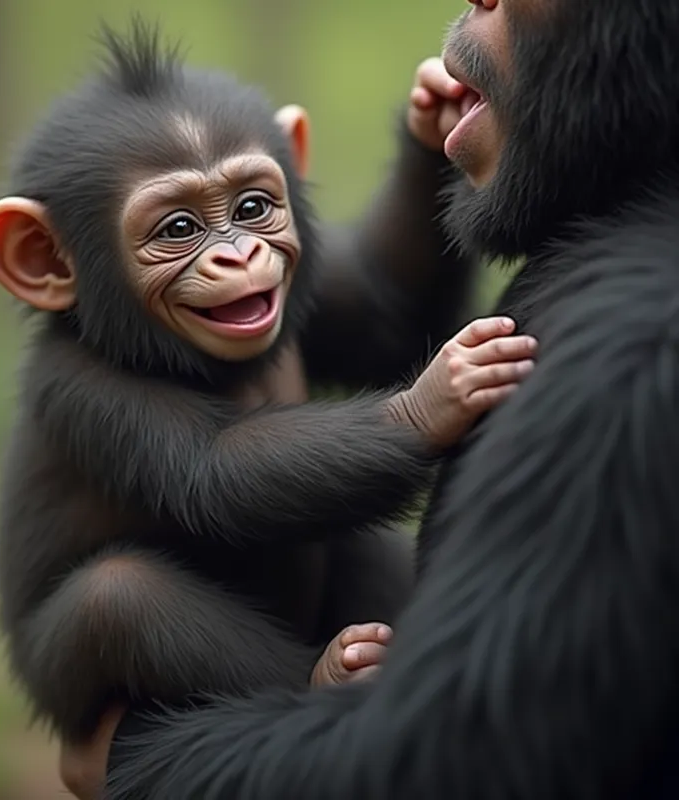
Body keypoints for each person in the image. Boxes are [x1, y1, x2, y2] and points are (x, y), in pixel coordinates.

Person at [69, 0, 679, 795]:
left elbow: (461, 767)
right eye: (177, 228)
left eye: (254, 207)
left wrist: (135, 759)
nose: (236, 256)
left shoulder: (635, 351)